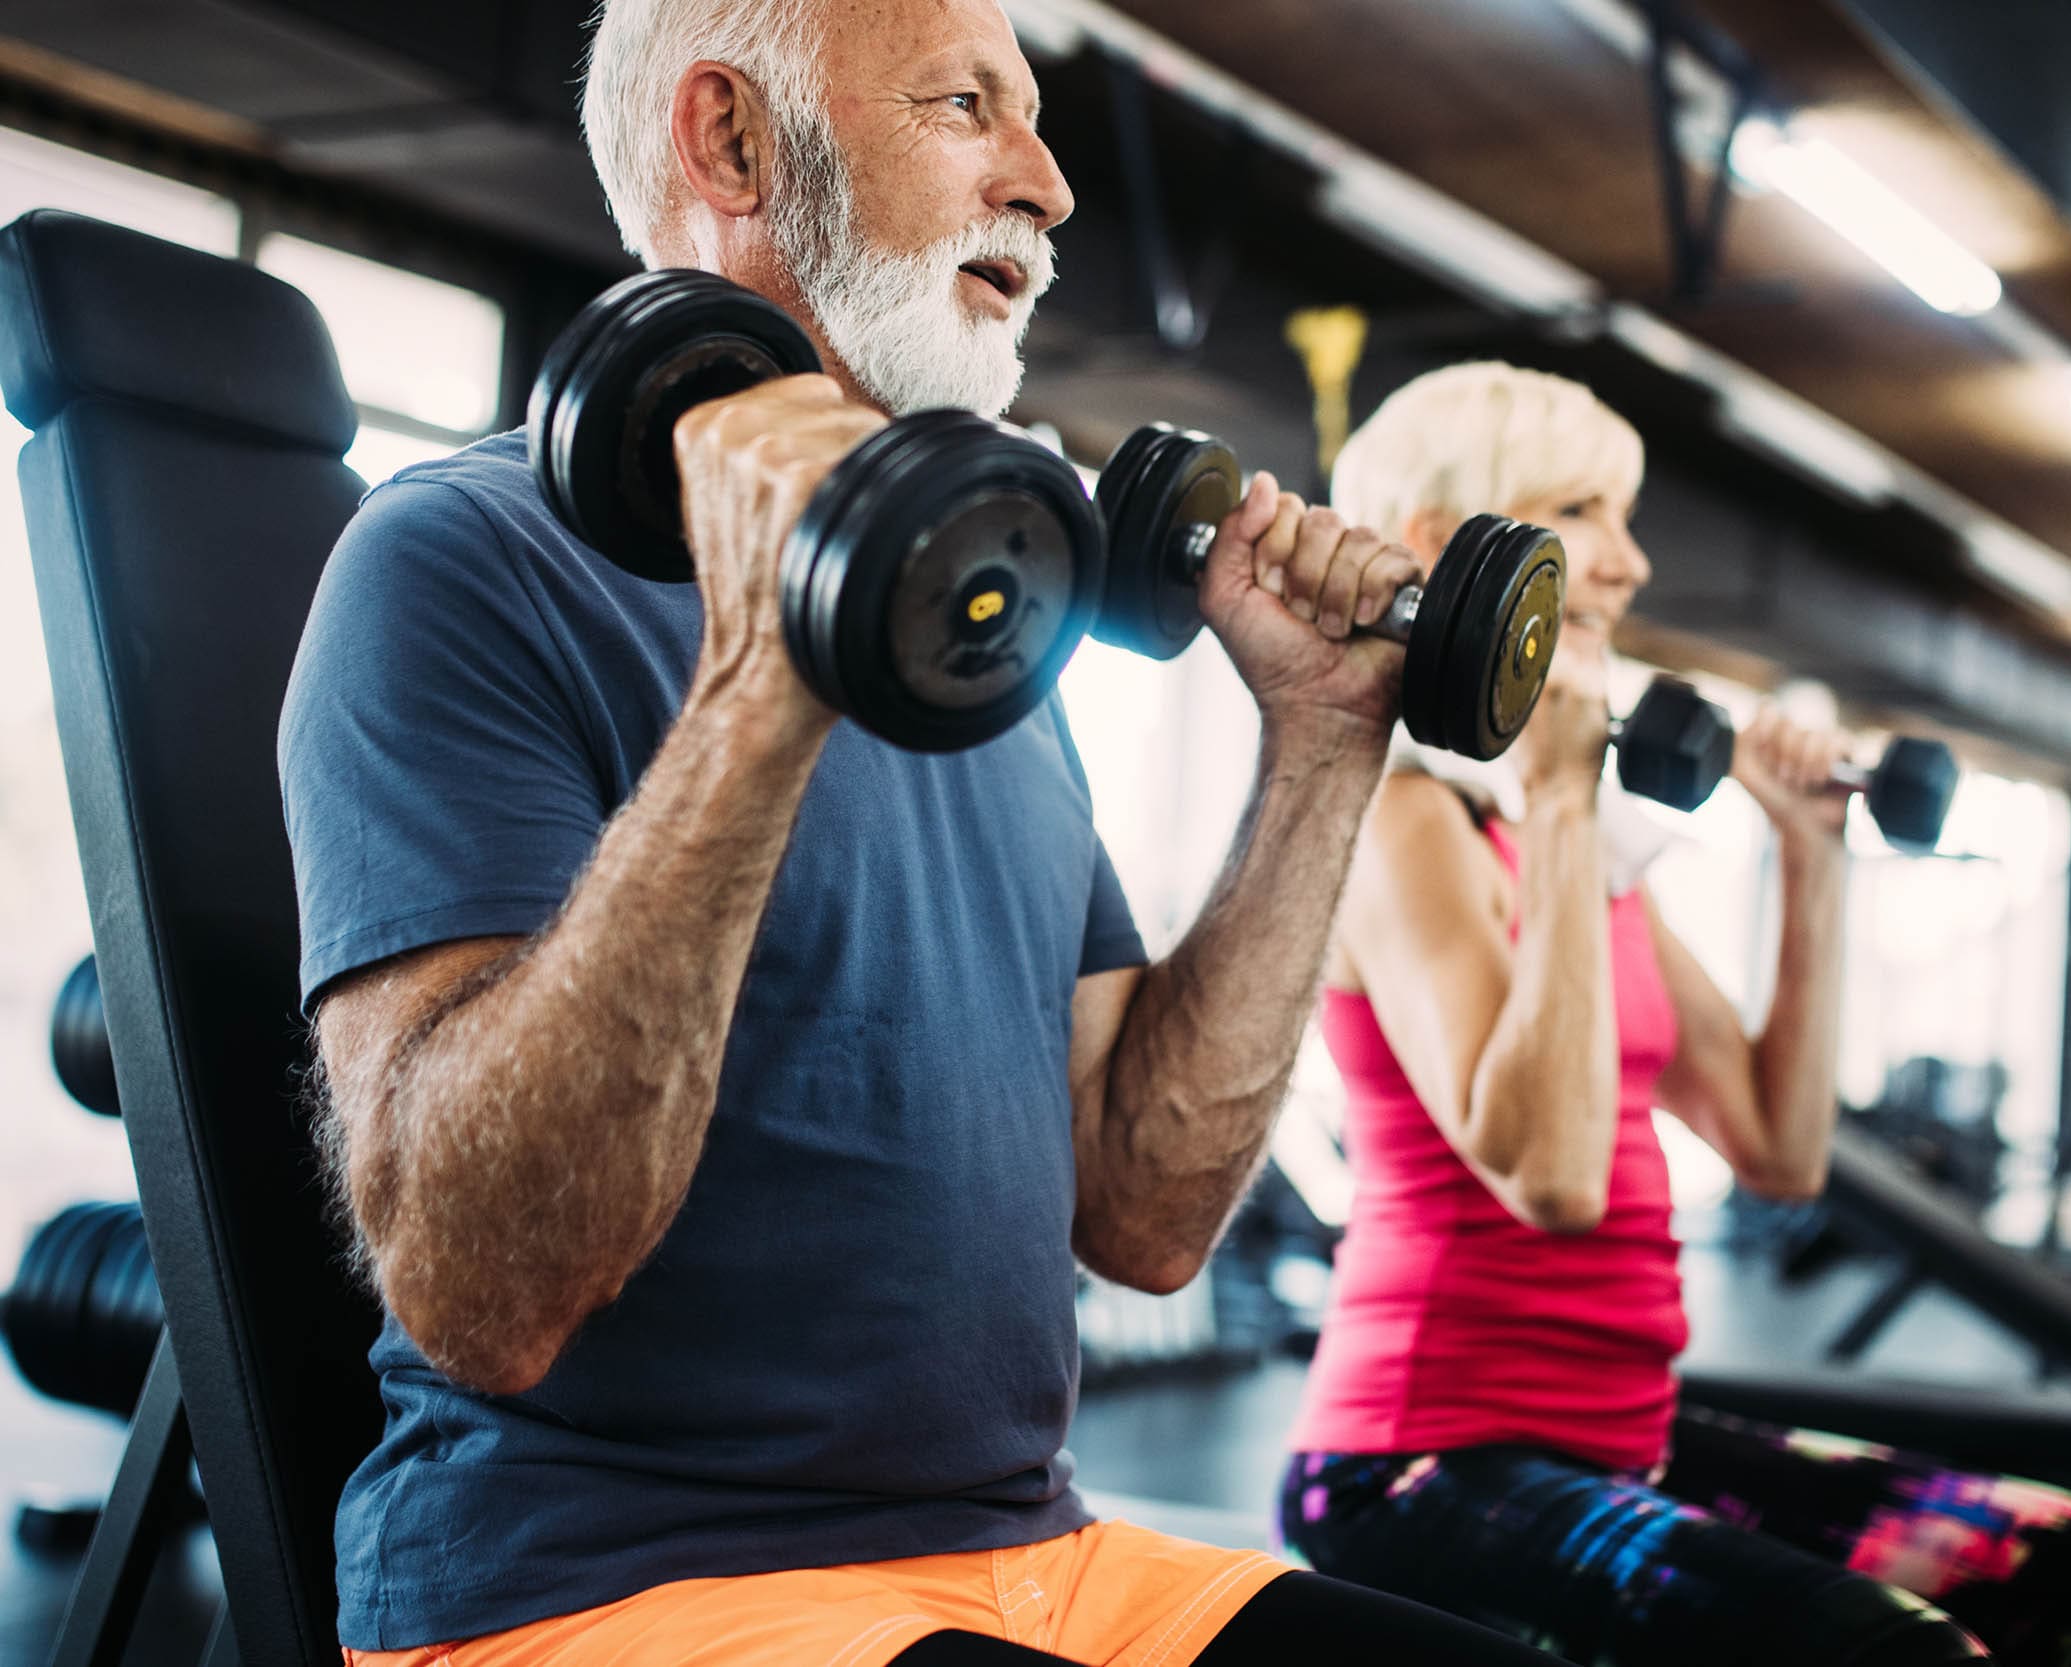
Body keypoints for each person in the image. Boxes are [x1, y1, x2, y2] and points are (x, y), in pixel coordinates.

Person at [279, 5, 1575, 1664]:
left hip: (1035, 1559)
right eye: (967, 106)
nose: (1045, 187)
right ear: (734, 142)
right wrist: (765, 681)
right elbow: (481, 1295)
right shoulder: (455, 566)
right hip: (605, 1592)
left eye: (1031, 122)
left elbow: (1147, 1213)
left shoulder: (982, 640)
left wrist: (1325, 740)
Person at [1274, 364, 2071, 1666]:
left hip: (1623, 1430)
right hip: (1426, 1460)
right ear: (1447, 546)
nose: (1630, 564)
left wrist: (1813, 857)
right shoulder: (1408, 823)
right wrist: (1558, 798)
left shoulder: (1580, 858)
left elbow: (1780, 1150)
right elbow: (1548, 1176)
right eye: (1584, 512)